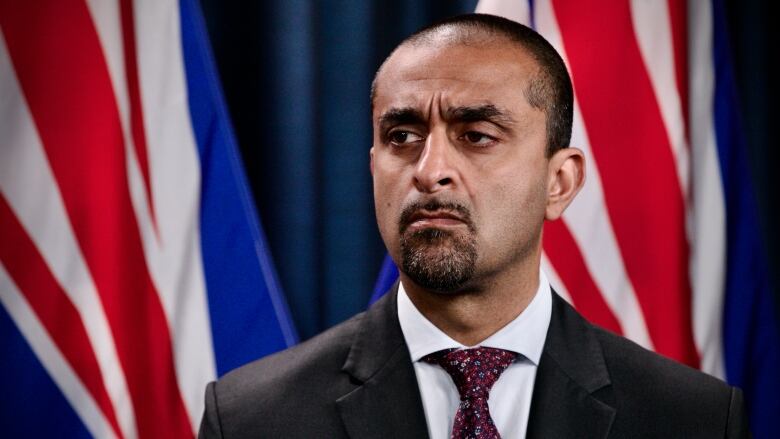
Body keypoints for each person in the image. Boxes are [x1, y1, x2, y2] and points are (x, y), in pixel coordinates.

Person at [199, 14, 748, 439]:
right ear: (372, 166)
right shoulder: (254, 417)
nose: (430, 170)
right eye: (402, 136)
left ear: (559, 181)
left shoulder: (692, 418)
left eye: (477, 134)